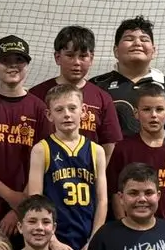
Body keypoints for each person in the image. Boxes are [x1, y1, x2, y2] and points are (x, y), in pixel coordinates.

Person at [105, 82, 165, 232]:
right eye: (147, 110)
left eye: (159, 109)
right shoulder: (123, 149)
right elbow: (115, 192)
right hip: (134, 231)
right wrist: (123, 225)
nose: (153, 115)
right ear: (136, 113)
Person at [28, 84, 109, 250]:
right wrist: (53, 241)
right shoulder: (42, 149)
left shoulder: (96, 151)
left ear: (83, 110)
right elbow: (35, 200)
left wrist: (95, 239)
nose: (67, 114)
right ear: (49, 115)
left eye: (72, 108)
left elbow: (102, 201)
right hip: (53, 239)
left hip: (87, 237)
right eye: (59, 110)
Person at [0, 35, 51, 231]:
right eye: (5, 60)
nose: (13, 66)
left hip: (28, 207)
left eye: (19, 60)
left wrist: (19, 207)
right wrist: (10, 196)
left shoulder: (39, 108)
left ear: (27, 66)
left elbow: (45, 160)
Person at [28, 26, 123, 156]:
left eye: (83, 56)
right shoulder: (36, 95)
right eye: (70, 55)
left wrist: (96, 172)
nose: (77, 62)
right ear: (57, 57)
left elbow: (108, 143)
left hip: (88, 174)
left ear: (91, 59)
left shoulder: (102, 98)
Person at [90, 17, 165, 136]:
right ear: (116, 51)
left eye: (144, 39)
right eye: (129, 39)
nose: (137, 43)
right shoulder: (96, 86)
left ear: (153, 51)